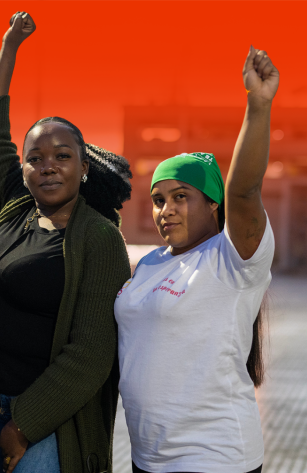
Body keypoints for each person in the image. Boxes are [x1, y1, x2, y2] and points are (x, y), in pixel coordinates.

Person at [0, 12, 133, 473]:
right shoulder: (15, 206)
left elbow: (92, 352)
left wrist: (25, 423)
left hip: (45, 424)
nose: (47, 166)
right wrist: (9, 47)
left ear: (84, 167)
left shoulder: (99, 237)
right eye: (35, 158)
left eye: (62, 156)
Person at [114, 46, 278, 473]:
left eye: (181, 197)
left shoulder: (231, 258)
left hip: (212, 456)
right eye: (158, 200)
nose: (165, 209)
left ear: (213, 205)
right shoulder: (149, 264)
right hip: (148, 456)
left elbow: (245, 191)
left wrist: (257, 107)